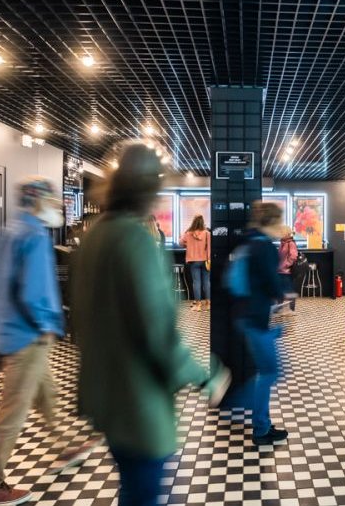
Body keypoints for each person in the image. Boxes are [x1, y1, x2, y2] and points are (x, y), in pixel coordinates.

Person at [71, 142, 228, 506]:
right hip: (138, 399)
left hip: (104, 394)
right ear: (150, 188)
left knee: (133, 488)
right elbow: (156, 330)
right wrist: (204, 376)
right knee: (143, 493)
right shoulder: (136, 240)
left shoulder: (94, 236)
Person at [0, 177, 99, 506]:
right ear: (39, 201)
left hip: (7, 334)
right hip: (29, 336)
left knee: (47, 393)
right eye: (53, 199)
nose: (59, 206)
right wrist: (50, 325)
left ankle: (65, 445)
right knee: (13, 411)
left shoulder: (2, 233)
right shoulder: (33, 235)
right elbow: (34, 292)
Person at [226, 202, 290, 445]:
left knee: (269, 370)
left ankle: (258, 418)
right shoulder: (264, 247)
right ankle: (259, 426)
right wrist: (284, 292)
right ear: (272, 222)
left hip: (245, 314)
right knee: (270, 371)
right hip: (256, 317)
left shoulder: (249, 242)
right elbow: (272, 284)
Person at [179, 215, 211, 311]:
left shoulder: (188, 233)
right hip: (205, 260)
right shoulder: (207, 233)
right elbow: (209, 247)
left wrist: (188, 244)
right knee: (207, 282)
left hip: (193, 261)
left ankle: (198, 305)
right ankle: (208, 303)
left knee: (196, 283)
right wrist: (209, 258)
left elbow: (180, 243)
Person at [277, 226, 298, 311]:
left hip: (286, 271)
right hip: (280, 271)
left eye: (282, 232)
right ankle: (279, 308)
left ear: (286, 234)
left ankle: (292, 309)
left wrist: (285, 265)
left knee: (289, 290)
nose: (280, 234)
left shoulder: (290, 243)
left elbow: (293, 256)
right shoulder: (282, 242)